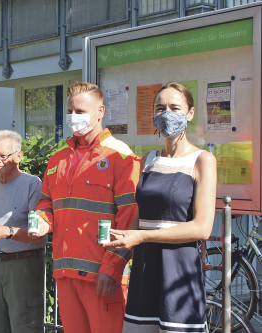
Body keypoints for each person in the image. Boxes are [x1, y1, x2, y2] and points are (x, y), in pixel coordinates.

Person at [105, 82, 217, 332]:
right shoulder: (148, 159)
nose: (167, 113)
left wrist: (142, 236)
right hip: (145, 269)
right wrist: (122, 238)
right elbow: (139, 215)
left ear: (190, 113)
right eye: (160, 108)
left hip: (179, 271)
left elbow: (202, 228)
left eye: (175, 107)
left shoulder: (203, 160)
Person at [33, 82, 140, 333]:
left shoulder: (121, 156)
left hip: (102, 275)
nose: (73, 117)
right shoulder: (57, 158)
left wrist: (112, 268)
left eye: (80, 111)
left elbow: (129, 218)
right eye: (70, 110)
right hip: (66, 272)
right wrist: (42, 219)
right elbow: (46, 202)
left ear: (100, 112)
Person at [0, 130, 46, 333]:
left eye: (3, 156)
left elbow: (38, 232)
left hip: (23, 264)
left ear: (19, 156)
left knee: (25, 327)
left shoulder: (33, 184)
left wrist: (5, 231)